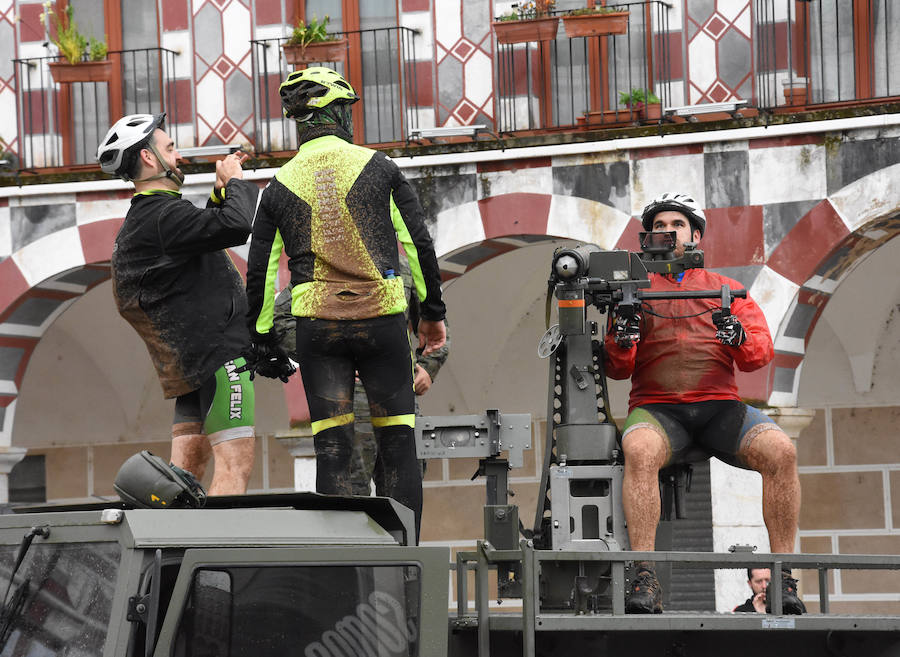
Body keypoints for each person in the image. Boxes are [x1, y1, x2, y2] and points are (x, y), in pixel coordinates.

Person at [243, 67, 446, 540]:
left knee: (331, 448)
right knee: (396, 441)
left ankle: (342, 562)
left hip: (320, 326)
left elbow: (260, 271)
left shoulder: (278, 186)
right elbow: (419, 244)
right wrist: (432, 315)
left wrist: (261, 337)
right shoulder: (380, 167)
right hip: (382, 318)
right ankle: (406, 555)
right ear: (336, 112)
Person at [604, 192, 805, 615]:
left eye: (676, 225)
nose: (666, 232)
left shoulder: (726, 289)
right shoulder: (633, 291)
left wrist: (736, 336)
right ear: (648, 237)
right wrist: (623, 337)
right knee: (638, 450)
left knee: (782, 452)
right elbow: (618, 369)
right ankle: (645, 576)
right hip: (657, 409)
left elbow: (759, 355)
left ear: (695, 234)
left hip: (720, 409)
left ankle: (784, 578)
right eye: (659, 226)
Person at [98, 113, 259, 495]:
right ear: (149, 158)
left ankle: (173, 553)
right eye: (170, 148)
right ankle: (216, 556)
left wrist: (219, 194)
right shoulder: (162, 215)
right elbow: (237, 224)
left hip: (193, 371)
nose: (179, 156)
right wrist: (236, 182)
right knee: (235, 466)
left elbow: (201, 232)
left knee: (181, 479)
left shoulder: (153, 217)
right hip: (220, 361)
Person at [272, 254, 450, 496]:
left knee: (405, 484)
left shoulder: (402, 267)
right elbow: (281, 318)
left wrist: (428, 368)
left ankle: (402, 536)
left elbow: (436, 323)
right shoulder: (322, 266)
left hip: (398, 395)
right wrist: (329, 359)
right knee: (350, 491)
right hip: (348, 398)